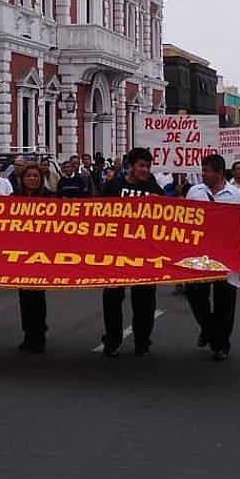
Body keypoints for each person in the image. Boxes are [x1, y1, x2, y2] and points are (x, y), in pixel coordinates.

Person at [184, 155, 240, 361]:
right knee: (195, 295)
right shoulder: (195, 192)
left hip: (227, 255)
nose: (203, 174)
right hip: (199, 254)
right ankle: (208, 328)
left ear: (219, 173)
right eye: (203, 170)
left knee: (225, 301)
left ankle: (221, 344)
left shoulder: (237, 196)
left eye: (207, 171)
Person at [99, 147, 162, 356]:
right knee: (112, 299)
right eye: (141, 165)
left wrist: (161, 203)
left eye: (148, 166)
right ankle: (112, 341)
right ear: (130, 166)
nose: (145, 170)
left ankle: (142, 342)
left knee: (145, 302)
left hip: (145, 254)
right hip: (115, 253)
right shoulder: (113, 187)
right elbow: (99, 215)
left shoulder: (154, 189)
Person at [14, 163, 54, 352]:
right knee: (24, 297)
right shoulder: (14, 198)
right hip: (21, 255)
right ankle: (28, 334)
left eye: (35, 176)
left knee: (37, 297)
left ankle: (39, 335)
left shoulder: (49, 198)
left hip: (41, 255)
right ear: (22, 179)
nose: (32, 179)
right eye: (28, 176)